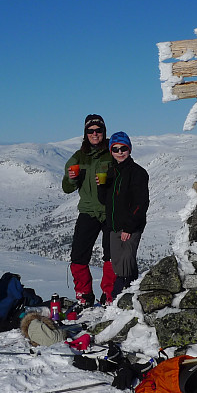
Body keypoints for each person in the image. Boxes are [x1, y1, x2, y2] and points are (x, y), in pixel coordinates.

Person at [62, 114, 116, 306]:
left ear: (104, 132)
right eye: (90, 131)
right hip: (88, 211)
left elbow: (126, 175)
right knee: (78, 255)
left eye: (98, 130)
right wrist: (71, 178)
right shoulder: (79, 156)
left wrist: (110, 179)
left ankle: (110, 294)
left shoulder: (113, 151)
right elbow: (67, 188)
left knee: (112, 254)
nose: (95, 134)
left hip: (110, 211)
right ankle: (84, 295)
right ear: (85, 134)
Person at [97, 131, 149, 303]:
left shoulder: (138, 173)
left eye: (123, 148)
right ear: (111, 151)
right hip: (113, 226)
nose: (120, 152)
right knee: (118, 264)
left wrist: (129, 227)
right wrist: (101, 187)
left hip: (130, 227)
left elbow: (140, 203)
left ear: (130, 149)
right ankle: (129, 296)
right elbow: (104, 200)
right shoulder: (111, 173)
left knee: (126, 262)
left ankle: (122, 297)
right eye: (116, 149)